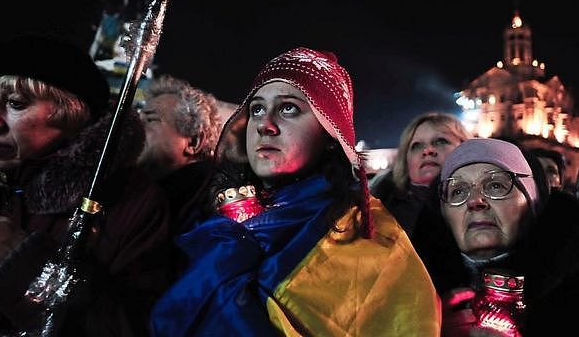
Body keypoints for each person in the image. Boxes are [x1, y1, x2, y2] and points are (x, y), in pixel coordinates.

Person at [150, 47, 441, 336]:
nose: (265, 125)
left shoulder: (373, 240)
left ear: (330, 133)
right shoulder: (211, 218)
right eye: (257, 109)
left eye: (289, 108)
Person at [0, 34, 173, 336]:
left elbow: (131, 326)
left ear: (72, 116)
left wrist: (19, 265)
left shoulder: (132, 201)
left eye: (16, 104)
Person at [414, 138, 579, 335]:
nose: (475, 201)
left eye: (496, 186)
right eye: (457, 191)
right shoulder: (408, 296)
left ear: (532, 202)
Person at [137, 74, 222, 226]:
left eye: (151, 120)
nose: (135, 128)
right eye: (137, 120)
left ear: (194, 142)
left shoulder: (212, 206)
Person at [369, 112, 470, 235]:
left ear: (465, 148)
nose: (427, 151)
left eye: (440, 141)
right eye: (416, 146)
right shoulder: (376, 213)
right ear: (405, 161)